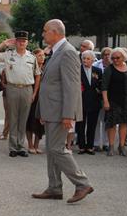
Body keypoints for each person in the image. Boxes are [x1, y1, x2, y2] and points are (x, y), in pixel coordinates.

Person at [33, 19, 93, 204]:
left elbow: (72, 86)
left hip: (60, 111)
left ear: (55, 32)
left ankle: (82, 183)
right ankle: (54, 187)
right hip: (51, 110)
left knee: (57, 149)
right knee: (51, 150)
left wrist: (68, 114)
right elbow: (51, 85)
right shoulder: (56, 51)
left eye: (45, 31)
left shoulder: (67, 52)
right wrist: (43, 111)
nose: (43, 34)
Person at [0, 31, 41, 157]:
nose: (21, 43)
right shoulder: (9, 55)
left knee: (23, 119)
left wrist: (34, 93)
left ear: (27, 42)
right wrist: (3, 43)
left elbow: (37, 75)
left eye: (24, 41)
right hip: (12, 88)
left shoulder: (32, 57)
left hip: (27, 89)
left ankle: (21, 146)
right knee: (13, 118)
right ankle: (13, 147)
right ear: (15, 42)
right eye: (19, 40)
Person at [102, 48, 127, 157]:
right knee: (112, 124)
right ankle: (111, 146)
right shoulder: (109, 69)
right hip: (113, 100)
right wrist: (105, 101)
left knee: (124, 124)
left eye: (117, 58)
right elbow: (104, 86)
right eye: (113, 58)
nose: (115, 60)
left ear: (123, 57)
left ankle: (121, 147)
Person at [75, 50, 102, 155]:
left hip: (94, 101)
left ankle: (90, 146)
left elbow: (101, 85)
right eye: (83, 58)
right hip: (81, 101)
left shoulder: (98, 70)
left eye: (87, 59)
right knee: (80, 125)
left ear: (92, 60)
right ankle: (82, 146)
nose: (85, 60)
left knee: (92, 125)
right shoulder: (77, 69)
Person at [26, 48, 45, 154]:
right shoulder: (30, 68)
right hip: (31, 97)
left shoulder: (46, 69)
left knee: (40, 122)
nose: (42, 57)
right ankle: (30, 144)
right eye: (39, 55)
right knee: (29, 120)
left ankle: (37, 145)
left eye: (43, 55)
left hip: (43, 98)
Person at [93, 47, 112, 152]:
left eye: (109, 54)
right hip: (97, 97)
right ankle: (96, 143)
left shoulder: (114, 66)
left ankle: (106, 143)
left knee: (107, 122)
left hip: (110, 97)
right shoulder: (96, 65)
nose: (107, 56)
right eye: (105, 54)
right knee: (97, 121)